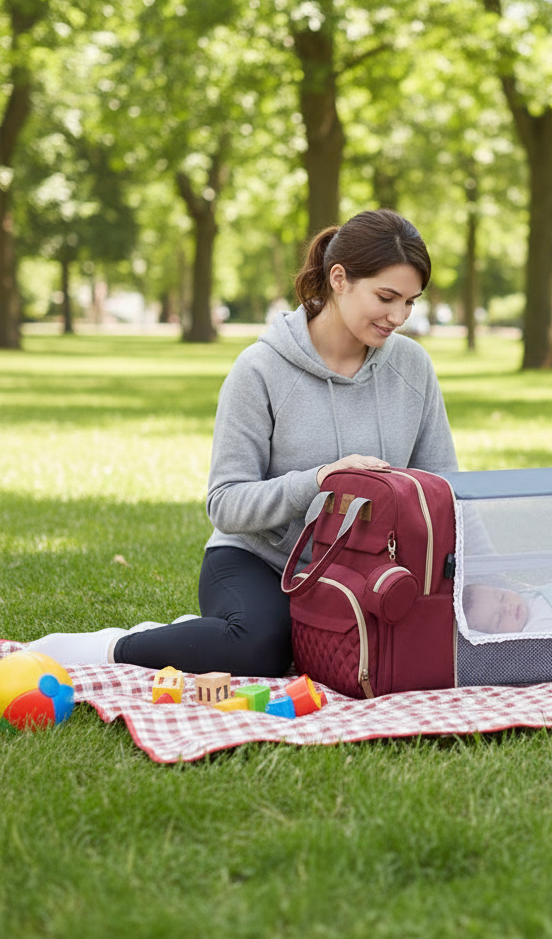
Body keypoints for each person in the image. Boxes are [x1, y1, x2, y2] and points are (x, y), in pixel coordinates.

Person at [28, 210, 458, 675]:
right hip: (258, 560)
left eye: (411, 302)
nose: (399, 317)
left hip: (362, 572)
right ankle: (116, 647)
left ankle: (209, 633)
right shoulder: (260, 369)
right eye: (387, 297)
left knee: (425, 644)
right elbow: (225, 503)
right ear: (339, 279)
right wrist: (318, 482)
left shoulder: (413, 368)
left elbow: (444, 487)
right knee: (260, 649)